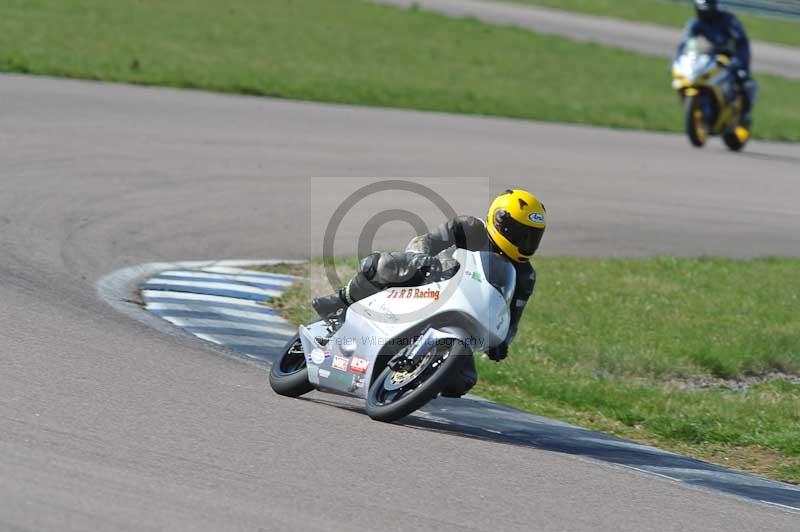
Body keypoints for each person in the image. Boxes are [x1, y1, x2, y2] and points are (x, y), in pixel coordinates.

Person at [312, 189, 546, 397]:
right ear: (500, 221)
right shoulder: (469, 228)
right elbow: (424, 241)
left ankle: (412, 379)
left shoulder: (525, 275)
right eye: (520, 233)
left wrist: (503, 341)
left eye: (532, 236)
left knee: (461, 381)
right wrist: (421, 257)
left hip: (464, 313)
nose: (525, 242)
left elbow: (512, 314)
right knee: (382, 265)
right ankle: (342, 302)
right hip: (427, 284)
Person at [677, 0, 757, 127]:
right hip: (707, 58)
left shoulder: (729, 21)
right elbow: (686, 43)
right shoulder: (695, 24)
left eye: (706, 11)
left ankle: (744, 115)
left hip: (729, 59)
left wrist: (739, 62)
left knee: (744, 81)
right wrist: (680, 58)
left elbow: (742, 43)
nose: (704, 14)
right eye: (701, 10)